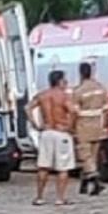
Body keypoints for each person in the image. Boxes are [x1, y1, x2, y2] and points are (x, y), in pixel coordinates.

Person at [26, 70, 76, 206]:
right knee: (63, 167)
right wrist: (69, 127)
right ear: (59, 81)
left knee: (43, 166)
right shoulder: (64, 96)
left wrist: (35, 124)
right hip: (61, 132)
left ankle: (40, 197)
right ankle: (60, 198)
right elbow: (73, 111)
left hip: (46, 132)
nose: (66, 83)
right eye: (64, 80)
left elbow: (28, 108)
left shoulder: (42, 95)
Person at [72, 62, 108, 196]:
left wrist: (72, 127)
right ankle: (84, 185)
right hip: (98, 125)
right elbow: (106, 110)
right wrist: (105, 126)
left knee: (85, 156)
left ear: (80, 73)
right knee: (93, 156)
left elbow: (74, 112)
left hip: (83, 126)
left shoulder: (78, 91)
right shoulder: (101, 88)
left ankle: (96, 181)